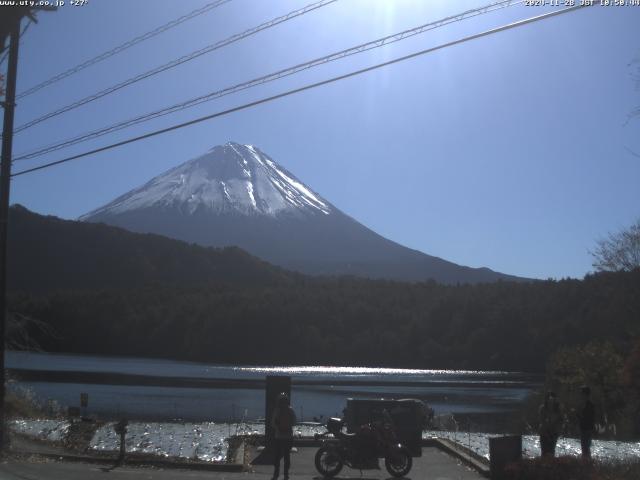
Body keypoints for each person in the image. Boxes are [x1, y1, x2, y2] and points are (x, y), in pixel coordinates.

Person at [271, 392, 296, 480]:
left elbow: (273, 424)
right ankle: (286, 474)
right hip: (288, 436)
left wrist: (279, 427)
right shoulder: (290, 410)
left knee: (277, 456)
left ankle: (276, 473)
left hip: (278, 436)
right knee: (286, 456)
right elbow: (294, 422)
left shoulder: (277, 410)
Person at [538, 391, 563, 457]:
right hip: (544, 433)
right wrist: (546, 432)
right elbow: (542, 421)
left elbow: (560, 421)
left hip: (554, 433)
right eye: (549, 399)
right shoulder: (543, 408)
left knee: (551, 451)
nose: (550, 401)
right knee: (544, 452)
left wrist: (556, 431)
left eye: (552, 399)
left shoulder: (558, 410)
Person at [577, 385, 595, 459]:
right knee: (585, 448)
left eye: (582, 393)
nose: (581, 395)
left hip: (586, 429)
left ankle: (586, 462)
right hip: (585, 429)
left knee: (585, 448)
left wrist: (578, 416)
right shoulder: (586, 404)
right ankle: (586, 461)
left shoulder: (589, 405)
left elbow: (588, 418)